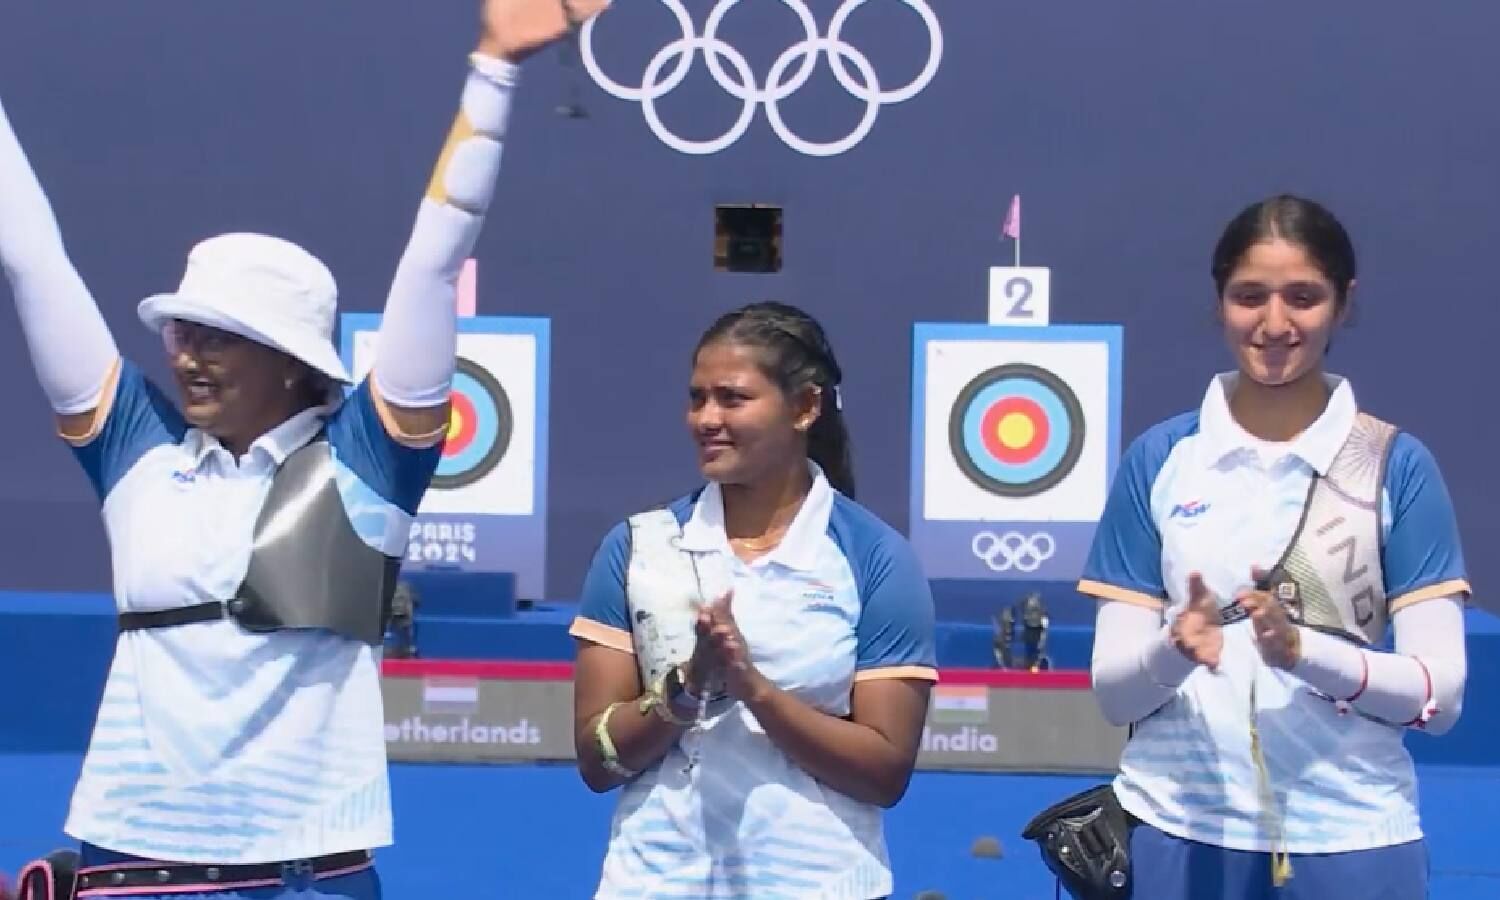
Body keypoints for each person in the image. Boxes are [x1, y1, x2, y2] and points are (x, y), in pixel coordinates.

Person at [0, 1, 607, 897]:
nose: (184, 355)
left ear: (291, 362)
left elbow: (433, 261)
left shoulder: (370, 464)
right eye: (182, 332)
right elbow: (30, 255)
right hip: (134, 868)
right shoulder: (134, 452)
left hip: (308, 879)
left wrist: (495, 72)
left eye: (218, 335)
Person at [1082, 195, 1469, 899]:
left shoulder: (1395, 466)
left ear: (1344, 303)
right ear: (1219, 302)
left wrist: (1303, 654)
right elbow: (1113, 694)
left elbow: (1439, 698)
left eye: (1304, 297)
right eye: (1249, 297)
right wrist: (1173, 650)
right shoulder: (1161, 460)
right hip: (1177, 835)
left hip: (1352, 842)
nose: (1275, 324)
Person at [568, 301, 938, 899]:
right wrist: (686, 689)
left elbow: (884, 774)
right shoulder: (638, 546)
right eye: (696, 398)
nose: (706, 418)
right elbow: (597, 761)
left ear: (806, 408)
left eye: (733, 398)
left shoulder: (876, 559)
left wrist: (754, 690)